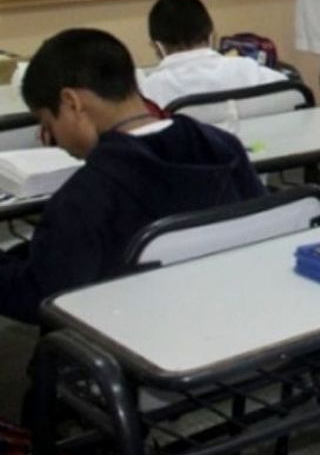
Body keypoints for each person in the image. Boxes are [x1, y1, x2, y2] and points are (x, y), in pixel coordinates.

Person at [1, 29, 264, 324]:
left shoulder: (85, 197)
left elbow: (42, 297)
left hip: (134, 344)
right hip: (237, 315)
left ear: (72, 102)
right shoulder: (222, 146)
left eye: (49, 124)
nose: (52, 138)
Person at [139, 0, 288, 109]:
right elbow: (295, 93)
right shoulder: (244, 69)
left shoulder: (151, 89)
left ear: (157, 46)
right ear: (212, 36)